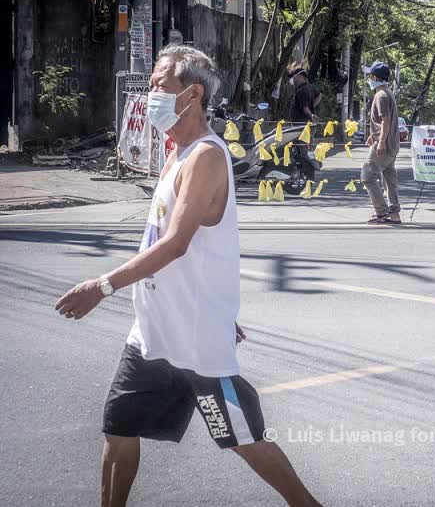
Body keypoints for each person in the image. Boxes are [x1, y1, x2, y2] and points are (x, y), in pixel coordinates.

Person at [55, 46, 323, 507]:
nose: (149, 94)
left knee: (244, 438)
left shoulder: (205, 157)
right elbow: (187, 247)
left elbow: (176, 243)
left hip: (194, 340)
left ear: (192, 93)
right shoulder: (176, 153)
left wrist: (102, 286)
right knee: (118, 429)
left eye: (159, 85)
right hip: (153, 332)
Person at [361, 61, 401, 224]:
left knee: (368, 176)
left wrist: (381, 141)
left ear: (375, 77)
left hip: (384, 144)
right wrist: (373, 134)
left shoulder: (381, 96)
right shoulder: (387, 92)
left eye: (370, 75)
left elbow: (386, 120)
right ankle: (394, 213)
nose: (369, 78)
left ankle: (382, 212)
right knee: (389, 178)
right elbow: (381, 122)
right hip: (391, 144)